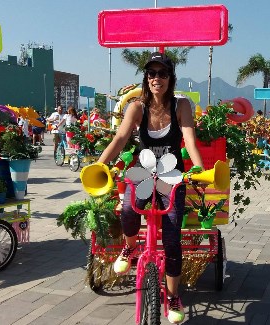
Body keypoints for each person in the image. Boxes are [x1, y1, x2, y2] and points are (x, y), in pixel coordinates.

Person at [96, 52, 203, 324]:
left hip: (171, 174)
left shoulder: (181, 105)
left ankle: (174, 296)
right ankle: (130, 248)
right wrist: (99, 165)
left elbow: (189, 138)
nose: (157, 78)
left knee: (172, 237)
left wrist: (200, 169)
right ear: (146, 77)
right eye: (152, 73)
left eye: (163, 73)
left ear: (170, 77)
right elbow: (120, 138)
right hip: (143, 171)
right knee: (130, 208)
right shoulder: (137, 107)